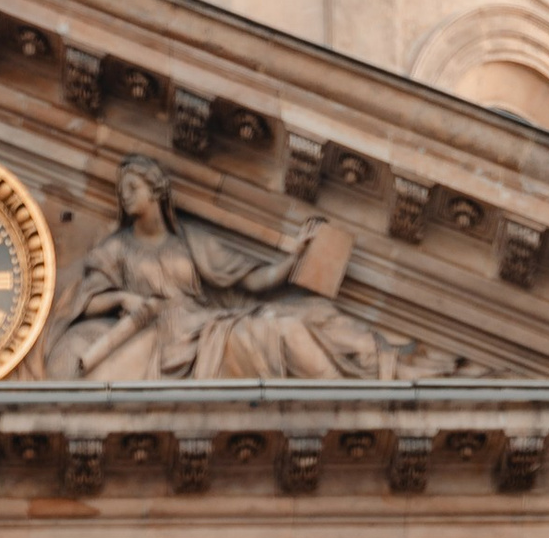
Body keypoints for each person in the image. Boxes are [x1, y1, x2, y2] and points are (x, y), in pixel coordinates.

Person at [54, 154, 390, 384]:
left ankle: (365, 375)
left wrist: (294, 257)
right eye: (121, 191)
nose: (124, 197)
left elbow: (253, 280)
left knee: (309, 315)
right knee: (280, 330)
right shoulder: (116, 247)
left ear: (155, 190)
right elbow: (87, 301)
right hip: (166, 337)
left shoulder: (188, 239)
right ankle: (345, 388)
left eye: (132, 188)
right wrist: (124, 298)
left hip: (203, 326)